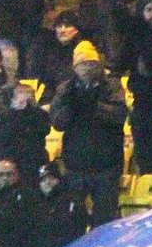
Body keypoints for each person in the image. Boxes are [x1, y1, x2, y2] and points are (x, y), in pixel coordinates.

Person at [49, 40, 127, 227]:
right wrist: (71, 106)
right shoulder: (66, 89)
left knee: (105, 221)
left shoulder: (111, 86)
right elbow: (57, 122)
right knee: (73, 219)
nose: (87, 67)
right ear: (75, 67)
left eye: (92, 63)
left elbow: (119, 114)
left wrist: (95, 106)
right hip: (76, 166)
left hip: (106, 166)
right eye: (83, 64)